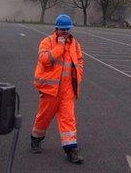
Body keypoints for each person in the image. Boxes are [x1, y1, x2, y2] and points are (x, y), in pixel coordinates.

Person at [30, 14, 84, 164]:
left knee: (68, 119)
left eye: (67, 29)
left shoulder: (75, 44)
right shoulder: (46, 42)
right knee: (43, 118)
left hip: (67, 90)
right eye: (62, 29)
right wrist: (60, 47)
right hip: (50, 90)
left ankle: (71, 151)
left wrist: (79, 73)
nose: (65, 32)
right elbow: (45, 60)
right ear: (56, 28)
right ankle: (36, 139)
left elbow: (79, 60)